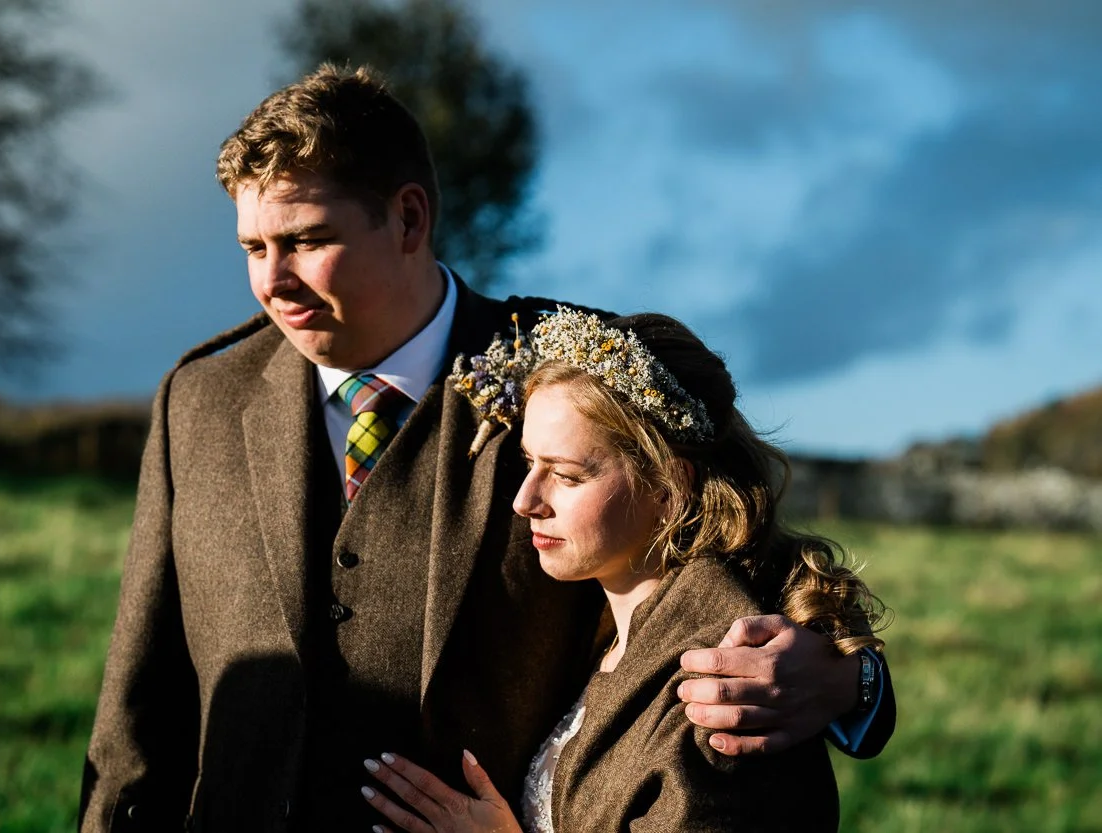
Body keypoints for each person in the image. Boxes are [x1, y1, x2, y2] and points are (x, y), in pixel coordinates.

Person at [78, 64, 894, 832]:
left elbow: (734, 543)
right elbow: (139, 705)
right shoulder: (201, 399)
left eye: (307, 240)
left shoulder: (570, 365)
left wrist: (847, 681)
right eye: (254, 249)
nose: (272, 280)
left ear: (408, 217)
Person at [360, 309, 886, 832]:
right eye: (528, 462)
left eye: (567, 476)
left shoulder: (723, 690)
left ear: (668, 486)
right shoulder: (601, 625)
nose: (524, 501)